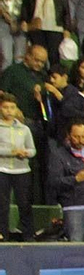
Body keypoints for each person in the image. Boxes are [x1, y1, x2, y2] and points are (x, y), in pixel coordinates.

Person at [0, 92, 35, 240]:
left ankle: (28, 235)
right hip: (3, 169)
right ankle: (3, 234)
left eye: (12, 107)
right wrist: (11, 152)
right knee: (3, 205)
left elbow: (33, 150)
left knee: (25, 204)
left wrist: (25, 153)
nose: (9, 110)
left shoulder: (24, 129)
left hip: (22, 170)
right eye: (6, 107)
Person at [21, 0, 67, 66]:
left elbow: (65, 11)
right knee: (38, 55)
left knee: (54, 55)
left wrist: (67, 28)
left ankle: (54, 77)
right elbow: (25, 7)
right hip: (37, 27)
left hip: (55, 28)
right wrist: (25, 21)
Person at [1, 0, 26, 70]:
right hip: (4, 25)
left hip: (19, 25)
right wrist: (8, 19)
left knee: (19, 57)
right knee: (6, 57)